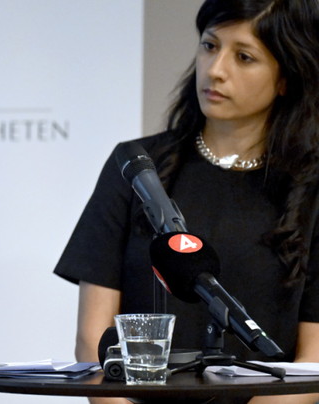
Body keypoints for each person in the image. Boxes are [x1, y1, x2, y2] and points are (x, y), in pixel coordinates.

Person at [54, 0, 319, 403]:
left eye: (244, 57)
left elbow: (313, 360)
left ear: (286, 77)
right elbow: (93, 341)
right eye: (210, 46)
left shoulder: (311, 186)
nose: (215, 69)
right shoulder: (137, 168)